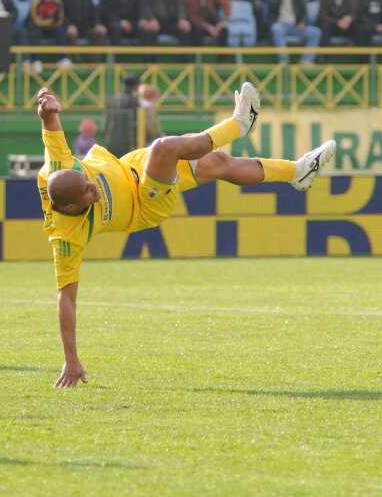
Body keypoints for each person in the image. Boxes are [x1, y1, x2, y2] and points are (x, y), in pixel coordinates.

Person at [37, 82, 336, 387]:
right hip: (146, 204)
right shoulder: (66, 237)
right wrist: (71, 359)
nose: (94, 186)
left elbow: (51, 129)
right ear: (71, 206)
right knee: (164, 147)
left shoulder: (59, 167)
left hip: (134, 167)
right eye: (88, 191)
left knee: (219, 163)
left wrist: (47, 111)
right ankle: (239, 124)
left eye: (88, 180)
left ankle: (297, 172)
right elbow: (66, 299)